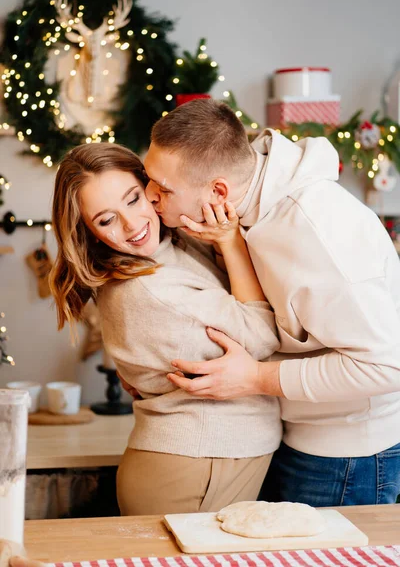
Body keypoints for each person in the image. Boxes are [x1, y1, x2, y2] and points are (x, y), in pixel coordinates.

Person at [142, 98, 400, 506]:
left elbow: (388, 364)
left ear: (218, 190)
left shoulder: (315, 231)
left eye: (163, 188)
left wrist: (254, 379)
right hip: (294, 433)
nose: (149, 195)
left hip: (348, 455)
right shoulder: (242, 209)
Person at [49, 142, 282, 516]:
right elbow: (264, 333)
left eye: (134, 199)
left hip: (204, 458)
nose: (133, 224)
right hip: (192, 467)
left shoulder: (168, 246)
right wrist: (231, 240)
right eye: (106, 220)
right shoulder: (150, 288)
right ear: (89, 232)